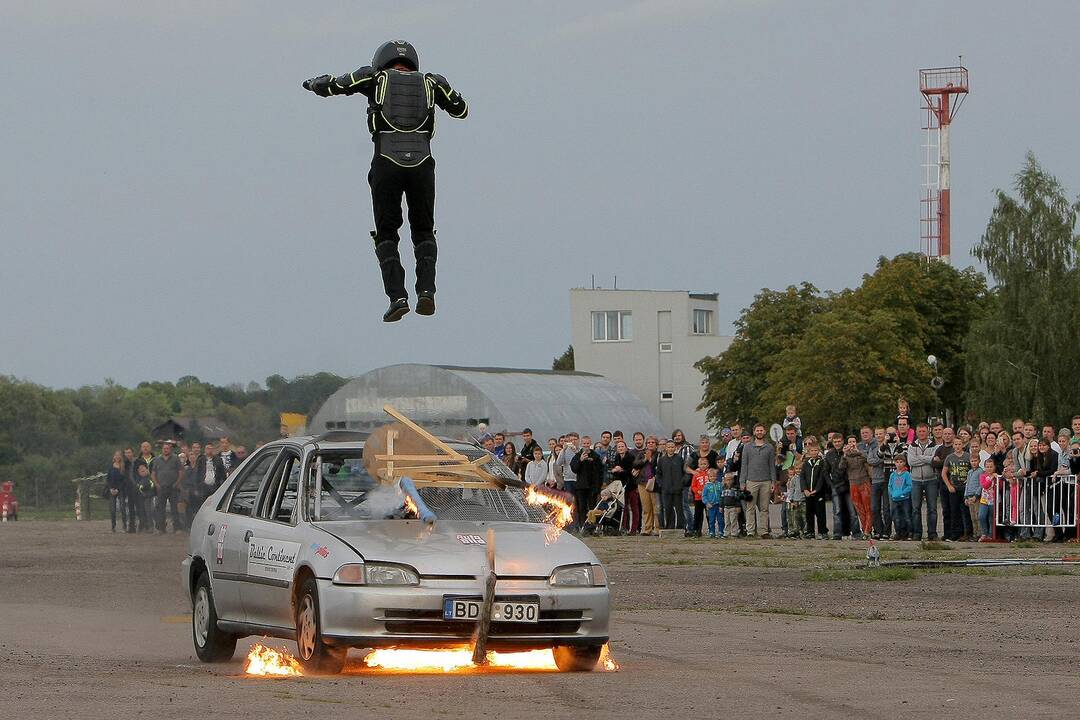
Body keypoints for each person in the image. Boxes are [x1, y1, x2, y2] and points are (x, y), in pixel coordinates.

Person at [303, 40, 468, 322]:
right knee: (424, 230)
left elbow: (335, 85)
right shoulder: (432, 83)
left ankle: (397, 297)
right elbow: (460, 109)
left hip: (386, 162)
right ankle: (427, 292)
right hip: (423, 165)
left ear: (383, 60)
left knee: (387, 232)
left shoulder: (373, 77)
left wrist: (312, 83)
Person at [740, 424, 777, 539]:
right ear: (754, 432)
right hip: (751, 481)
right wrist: (742, 482)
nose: (759, 432)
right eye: (757, 430)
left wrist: (773, 482)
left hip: (766, 481)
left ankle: (764, 531)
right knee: (750, 507)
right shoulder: (747, 447)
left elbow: (772, 466)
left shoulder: (769, 447)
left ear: (764, 432)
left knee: (764, 508)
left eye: (761, 430)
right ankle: (750, 531)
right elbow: (744, 465)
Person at [907, 423, 939, 541]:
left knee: (932, 508)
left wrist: (920, 457)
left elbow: (935, 461)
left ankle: (932, 533)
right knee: (916, 508)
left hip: (931, 480)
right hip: (915, 480)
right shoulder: (912, 446)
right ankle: (917, 533)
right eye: (919, 431)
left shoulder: (934, 445)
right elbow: (911, 461)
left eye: (924, 431)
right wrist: (928, 458)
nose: (922, 433)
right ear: (916, 432)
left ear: (928, 431)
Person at [840, 437, 872, 539]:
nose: (852, 444)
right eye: (850, 442)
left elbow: (868, 459)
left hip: (864, 482)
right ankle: (864, 529)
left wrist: (858, 451)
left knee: (868, 507)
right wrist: (844, 455)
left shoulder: (861, 453)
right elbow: (841, 467)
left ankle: (868, 530)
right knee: (859, 509)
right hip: (853, 483)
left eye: (854, 441)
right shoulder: (846, 456)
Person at [941, 437, 972, 541]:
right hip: (954, 488)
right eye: (956, 444)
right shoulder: (949, 457)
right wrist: (949, 485)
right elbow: (944, 473)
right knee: (954, 512)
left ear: (963, 445)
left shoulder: (968, 456)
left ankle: (967, 533)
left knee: (966, 511)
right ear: (953, 445)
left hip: (965, 489)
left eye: (959, 444)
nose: (958, 446)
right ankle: (954, 534)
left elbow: (973, 471)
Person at [569, 437, 603, 532]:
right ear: (581, 444)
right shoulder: (577, 455)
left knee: (592, 507)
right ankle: (582, 526)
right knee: (581, 508)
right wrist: (580, 460)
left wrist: (598, 487)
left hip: (592, 486)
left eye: (588, 443)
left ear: (590, 444)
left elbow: (599, 472)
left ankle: (591, 527)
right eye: (584, 444)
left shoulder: (595, 456)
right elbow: (574, 469)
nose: (586, 445)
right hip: (581, 486)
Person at [825, 434, 853, 539]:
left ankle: (855, 532)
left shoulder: (848, 452)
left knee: (852, 510)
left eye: (839, 441)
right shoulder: (829, 455)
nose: (837, 443)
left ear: (842, 441)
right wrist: (830, 484)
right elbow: (826, 472)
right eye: (835, 442)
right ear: (832, 443)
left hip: (848, 484)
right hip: (835, 485)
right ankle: (837, 533)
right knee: (837, 510)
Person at [799, 441, 829, 539]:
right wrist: (804, 489)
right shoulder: (806, 463)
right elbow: (802, 477)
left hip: (818, 493)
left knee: (820, 513)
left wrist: (817, 489)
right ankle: (810, 531)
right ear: (808, 451)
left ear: (819, 451)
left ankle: (823, 531)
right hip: (808, 493)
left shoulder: (822, 463)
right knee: (809, 513)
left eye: (816, 450)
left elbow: (822, 477)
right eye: (812, 450)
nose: (814, 452)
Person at [151, 441, 183, 534]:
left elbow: (181, 472)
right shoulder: (157, 459)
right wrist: (156, 484)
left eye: (167, 448)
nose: (166, 450)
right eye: (164, 448)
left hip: (173, 487)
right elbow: (153, 473)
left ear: (170, 449)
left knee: (174, 509)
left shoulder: (175, 459)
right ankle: (161, 528)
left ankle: (177, 528)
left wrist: (177, 483)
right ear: (162, 450)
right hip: (161, 487)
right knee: (160, 509)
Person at [609, 440, 640, 535]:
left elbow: (632, 472)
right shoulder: (617, 458)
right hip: (620, 487)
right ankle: (624, 527)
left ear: (626, 448)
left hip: (631, 485)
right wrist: (616, 470)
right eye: (619, 447)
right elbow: (613, 469)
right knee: (623, 507)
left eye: (622, 446)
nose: (621, 448)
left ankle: (634, 529)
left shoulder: (630, 458)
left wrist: (620, 470)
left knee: (634, 507)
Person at [656, 440, 686, 531]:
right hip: (666, 489)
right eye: (669, 447)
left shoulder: (679, 459)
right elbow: (658, 474)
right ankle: (670, 526)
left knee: (679, 509)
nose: (671, 449)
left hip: (678, 489)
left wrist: (682, 483)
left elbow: (684, 472)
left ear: (675, 448)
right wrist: (661, 484)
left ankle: (680, 526)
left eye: (672, 447)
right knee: (668, 508)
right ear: (666, 448)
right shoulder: (662, 460)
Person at [636, 436, 660, 536]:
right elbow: (635, 464)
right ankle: (647, 528)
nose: (650, 444)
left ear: (656, 444)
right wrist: (645, 459)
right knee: (646, 507)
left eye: (653, 442)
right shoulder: (642, 454)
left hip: (654, 483)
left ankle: (658, 528)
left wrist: (650, 459)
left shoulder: (659, 454)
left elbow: (657, 467)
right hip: (642, 483)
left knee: (656, 507)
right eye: (648, 442)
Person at [889, 456, 913, 540]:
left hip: (904, 498)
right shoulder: (892, 475)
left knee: (907, 516)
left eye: (901, 462)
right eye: (897, 462)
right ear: (895, 463)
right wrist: (892, 494)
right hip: (895, 499)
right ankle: (898, 533)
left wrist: (902, 493)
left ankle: (909, 533)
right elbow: (890, 486)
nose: (899, 464)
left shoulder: (907, 474)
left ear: (904, 463)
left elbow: (910, 486)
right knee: (896, 517)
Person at [105, 450, 127, 533]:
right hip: (112, 490)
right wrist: (110, 488)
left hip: (120, 490)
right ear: (114, 456)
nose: (117, 457)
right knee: (113, 509)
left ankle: (124, 526)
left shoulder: (123, 467)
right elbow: (108, 479)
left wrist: (118, 489)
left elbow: (124, 480)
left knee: (122, 508)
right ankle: (113, 527)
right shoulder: (110, 466)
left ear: (121, 457)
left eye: (119, 455)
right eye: (116, 455)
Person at [977, 458, 998, 541]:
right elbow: (985, 485)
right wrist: (991, 477)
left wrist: (996, 478)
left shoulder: (997, 476)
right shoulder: (983, 476)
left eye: (991, 467)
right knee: (981, 516)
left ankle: (990, 534)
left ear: (994, 467)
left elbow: (1000, 487)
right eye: (987, 467)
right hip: (984, 500)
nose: (989, 468)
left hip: (993, 501)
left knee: (991, 518)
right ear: (985, 467)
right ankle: (984, 533)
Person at [688, 457, 709, 537]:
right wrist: (697, 491)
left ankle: (711, 530)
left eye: (705, 464)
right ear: (698, 465)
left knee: (709, 515)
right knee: (698, 515)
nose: (703, 466)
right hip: (698, 498)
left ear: (708, 464)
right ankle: (697, 530)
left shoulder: (709, 473)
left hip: (708, 498)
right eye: (701, 464)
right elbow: (693, 486)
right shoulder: (696, 474)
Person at [786, 464, 806, 539]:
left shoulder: (805, 477)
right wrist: (791, 500)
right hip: (795, 500)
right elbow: (791, 489)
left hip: (804, 500)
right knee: (795, 516)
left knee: (804, 516)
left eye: (800, 469)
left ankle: (805, 531)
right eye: (797, 469)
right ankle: (795, 531)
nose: (798, 470)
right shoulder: (793, 479)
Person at [701, 467, 723, 538]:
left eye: (714, 476)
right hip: (711, 506)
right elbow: (704, 496)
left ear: (716, 476)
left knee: (720, 519)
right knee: (711, 520)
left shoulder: (719, 485)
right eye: (711, 476)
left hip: (719, 505)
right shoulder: (706, 486)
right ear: (708, 477)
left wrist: (722, 504)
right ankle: (712, 532)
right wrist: (707, 503)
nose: (713, 477)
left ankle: (721, 532)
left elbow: (722, 494)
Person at [720, 473, 741, 538]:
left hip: (733, 508)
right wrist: (721, 506)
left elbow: (737, 499)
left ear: (733, 480)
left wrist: (738, 506)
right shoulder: (723, 489)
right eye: (727, 480)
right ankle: (726, 533)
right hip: (726, 508)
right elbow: (722, 498)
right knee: (726, 521)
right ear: (725, 480)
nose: (729, 481)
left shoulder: (735, 489)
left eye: (730, 480)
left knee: (733, 520)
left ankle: (734, 533)